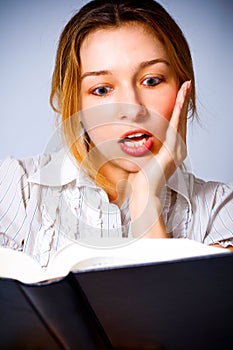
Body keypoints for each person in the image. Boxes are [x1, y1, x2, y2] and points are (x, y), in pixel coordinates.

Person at [0, 0, 232, 267]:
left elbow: (176, 308)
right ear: (75, 103)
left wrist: (146, 200)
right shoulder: (16, 189)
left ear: (183, 87)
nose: (132, 109)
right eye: (101, 89)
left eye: (152, 81)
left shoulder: (220, 210)